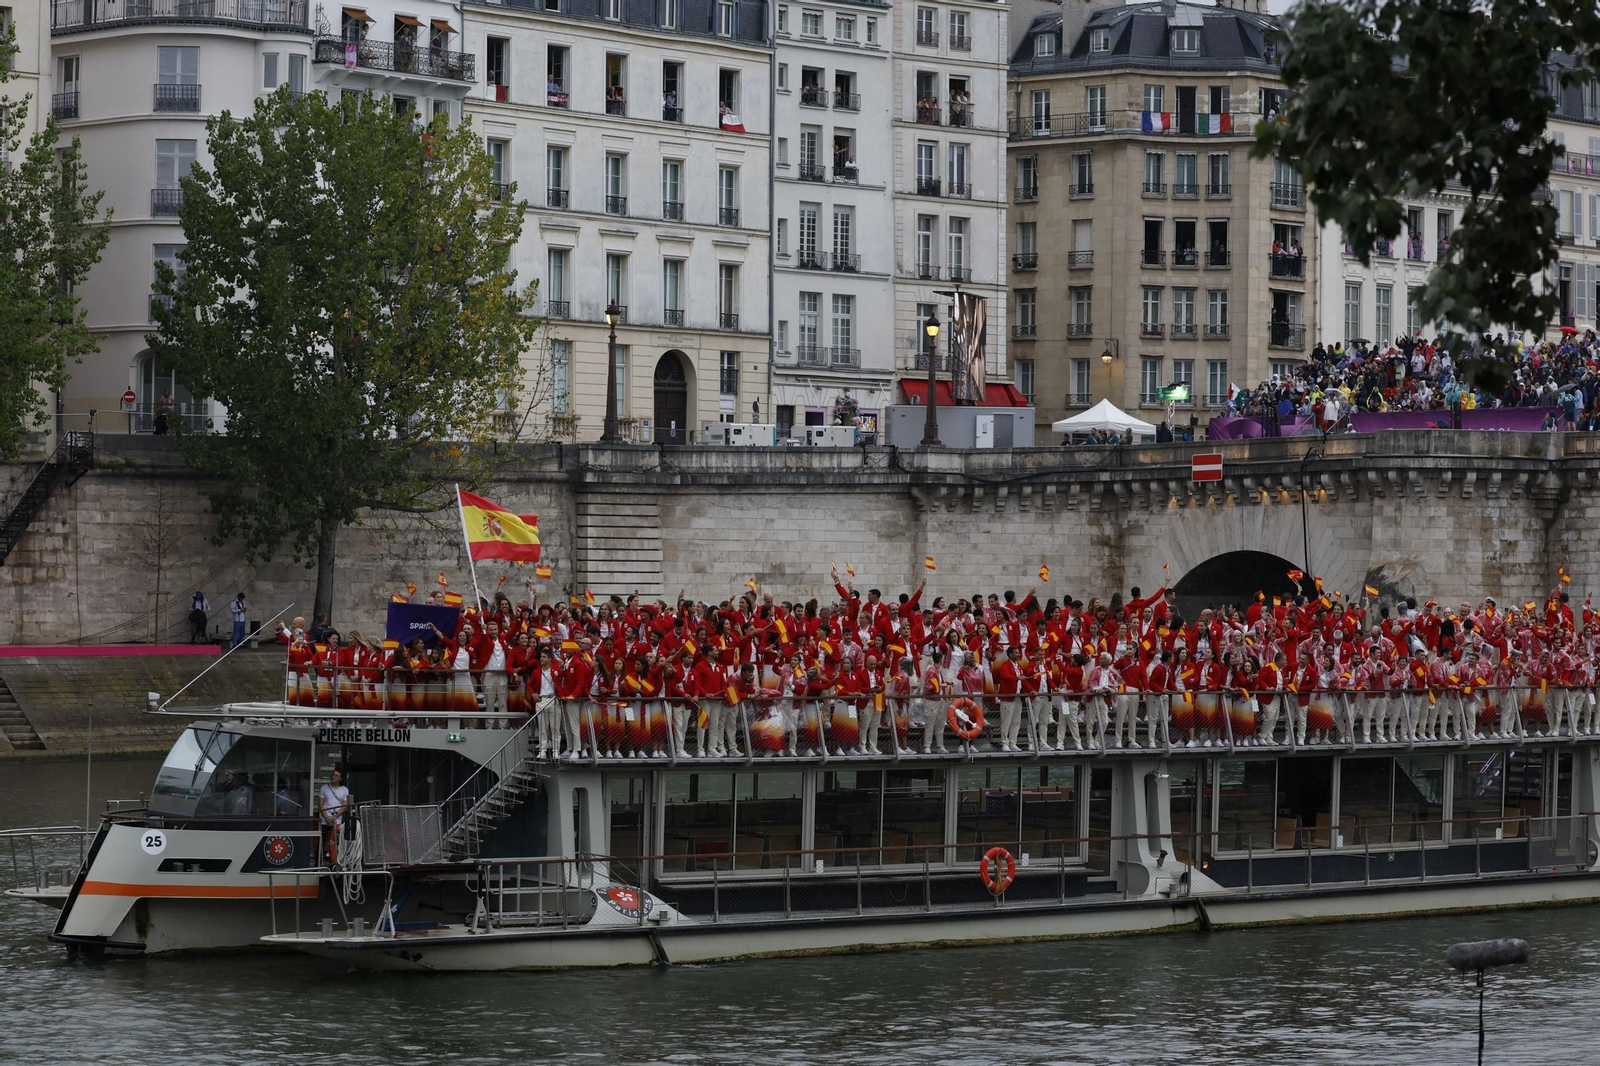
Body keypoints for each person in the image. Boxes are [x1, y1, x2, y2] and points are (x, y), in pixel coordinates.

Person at [316, 769, 352, 863]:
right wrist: (327, 817)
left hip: (337, 819)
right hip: (325, 818)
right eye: (333, 775)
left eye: (336, 775)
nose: (333, 777)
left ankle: (335, 862)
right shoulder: (324, 788)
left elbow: (344, 806)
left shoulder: (344, 790)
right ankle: (318, 863)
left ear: (340, 778)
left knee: (336, 842)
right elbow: (320, 804)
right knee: (322, 841)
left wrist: (334, 817)